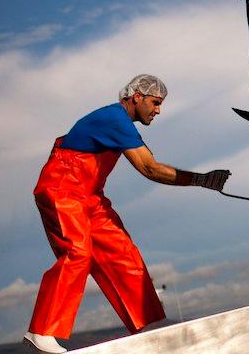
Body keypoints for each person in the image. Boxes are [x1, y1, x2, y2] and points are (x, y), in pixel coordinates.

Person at [23, 75, 231, 354]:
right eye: (155, 103)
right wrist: (201, 180)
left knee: (122, 253)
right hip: (62, 189)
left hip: (90, 195)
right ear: (137, 97)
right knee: (78, 253)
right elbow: (149, 168)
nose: (158, 110)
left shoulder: (121, 124)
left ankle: (149, 324)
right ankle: (41, 332)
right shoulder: (115, 119)